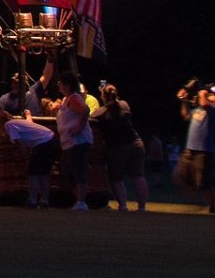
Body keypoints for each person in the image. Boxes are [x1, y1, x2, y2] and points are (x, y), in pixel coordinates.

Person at [93, 82, 148, 214]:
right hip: (135, 143)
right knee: (138, 176)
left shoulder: (102, 112)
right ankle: (142, 207)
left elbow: (90, 118)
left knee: (116, 178)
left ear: (103, 96)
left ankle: (123, 206)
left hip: (118, 148)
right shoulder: (124, 105)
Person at [178, 83, 215, 213]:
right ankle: (196, 200)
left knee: (203, 183)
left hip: (203, 151)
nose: (212, 96)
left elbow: (204, 103)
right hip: (190, 149)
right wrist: (185, 101)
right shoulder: (197, 110)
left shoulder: (214, 110)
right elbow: (185, 116)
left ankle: (212, 207)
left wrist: (201, 90)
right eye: (210, 94)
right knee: (181, 176)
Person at [55, 72, 93, 210]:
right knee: (67, 170)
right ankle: (79, 200)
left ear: (67, 85)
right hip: (69, 142)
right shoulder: (67, 99)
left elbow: (85, 110)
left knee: (78, 170)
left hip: (78, 141)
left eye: (60, 82)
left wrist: (78, 127)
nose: (58, 85)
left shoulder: (74, 98)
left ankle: (82, 201)